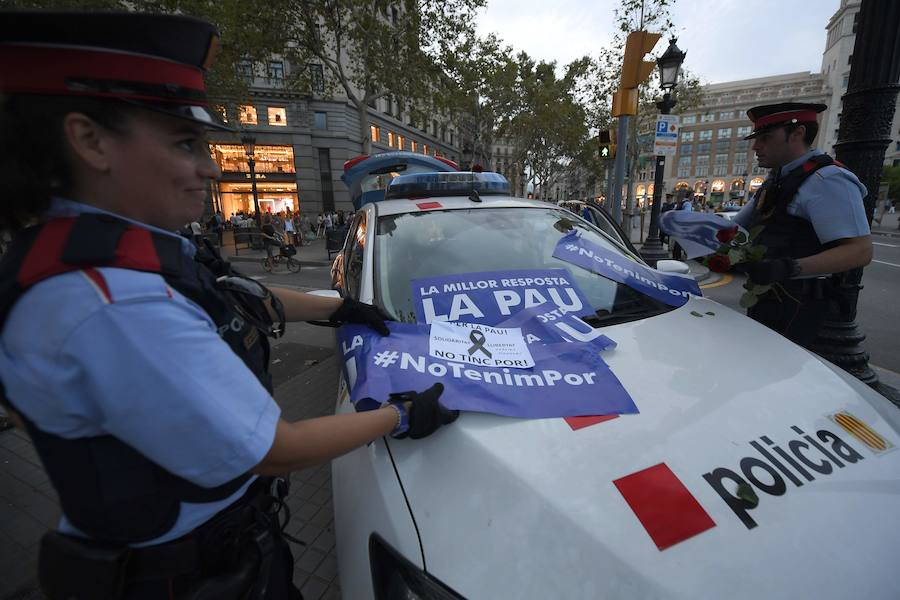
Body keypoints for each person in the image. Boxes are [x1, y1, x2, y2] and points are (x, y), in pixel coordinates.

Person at [0, 12, 457, 599]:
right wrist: (398, 414)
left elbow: (232, 298)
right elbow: (273, 449)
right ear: (89, 140)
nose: (209, 167)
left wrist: (336, 310)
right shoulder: (111, 304)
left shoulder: (108, 246)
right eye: (184, 144)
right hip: (182, 579)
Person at [732, 102, 873, 348]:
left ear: (797, 134)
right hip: (766, 300)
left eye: (765, 137)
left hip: (801, 307)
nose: (756, 146)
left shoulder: (827, 179)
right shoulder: (776, 179)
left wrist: (788, 267)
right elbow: (736, 229)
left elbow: (860, 251)